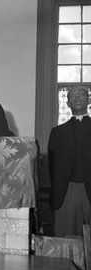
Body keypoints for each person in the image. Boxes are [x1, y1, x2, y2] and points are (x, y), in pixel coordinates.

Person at [48, 86, 91, 237]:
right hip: (65, 192)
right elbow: (51, 167)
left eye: (81, 95)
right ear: (67, 103)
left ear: (88, 100)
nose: (77, 98)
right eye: (73, 96)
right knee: (65, 238)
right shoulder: (57, 132)